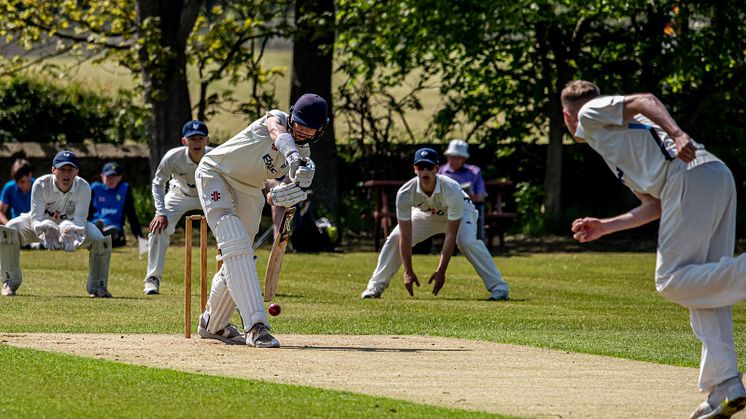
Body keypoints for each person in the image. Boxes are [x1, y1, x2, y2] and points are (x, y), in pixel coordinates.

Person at [561, 80, 746, 419]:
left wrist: (677, 134)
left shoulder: (588, 113)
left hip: (687, 175)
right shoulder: (613, 139)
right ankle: (727, 385)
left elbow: (644, 99)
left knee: (672, 280)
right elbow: (654, 205)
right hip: (712, 175)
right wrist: (606, 226)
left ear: (565, 116)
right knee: (704, 290)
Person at [195, 93, 327, 348]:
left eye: (310, 129)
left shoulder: (304, 152)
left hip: (250, 189)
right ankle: (256, 326)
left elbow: (282, 188)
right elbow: (278, 133)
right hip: (215, 173)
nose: (303, 131)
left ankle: (213, 324)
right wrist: (292, 157)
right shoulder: (276, 119)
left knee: (239, 254)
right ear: (291, 116)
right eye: (299, 124)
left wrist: (287, 192)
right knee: (235, 243)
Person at [361, 147, 509, 301]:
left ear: (437, 169)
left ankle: (499, 288)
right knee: (395, 238)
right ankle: (375, 287)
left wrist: (441, 271)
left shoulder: (452, 189)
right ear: (414, 169)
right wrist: (408, 271)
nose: (425, 171)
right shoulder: (405, 193)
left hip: (462, 211)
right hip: (427, 214)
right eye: (420, 167)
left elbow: (450, 235)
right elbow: (406, 236)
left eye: (429, 167)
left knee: (466, 242)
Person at [0, 150, 112, 297]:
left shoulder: (84, 187)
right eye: (62, 169)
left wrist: (69, 228)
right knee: (9, 229)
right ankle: (9, 281)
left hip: (71, 227)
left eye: (70, 170)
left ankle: (98, 286)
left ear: (76, 171)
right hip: (42, 226)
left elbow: (80, 220)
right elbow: (36, 218)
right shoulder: (40, 184)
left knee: (100, 239)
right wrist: (44, 226)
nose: (66, 174)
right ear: (53, 170)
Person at [143, 120, 212, 295]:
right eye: (192, 139)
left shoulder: (215, 156)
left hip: (208, 195)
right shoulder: (172, 158)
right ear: (184, 141)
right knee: (158, 228)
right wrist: (160, 212)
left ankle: (233, 276)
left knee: (230, 224)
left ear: (207, 140)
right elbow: (158, 184)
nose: (196, 143)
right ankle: (153, 278)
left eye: (200, 138)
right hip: (179, 194)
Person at [439, 139, 488, 241]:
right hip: (445, 208)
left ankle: (477, 241)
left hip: (468, 207)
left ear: (464, 158)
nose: (453, 160)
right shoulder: (440, 171)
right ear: (447, 156)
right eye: (451, 157)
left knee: (477, 209)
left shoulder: (474, 172)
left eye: (457, 158)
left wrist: (473, 196)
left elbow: (481, 196)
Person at [89, 161, 144, 247]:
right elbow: (87, 211)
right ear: (102, 176)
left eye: (114, 176)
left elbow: (131, 215)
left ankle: (103, 235)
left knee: (112, 231)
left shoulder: (124, 190)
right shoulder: (95, 188)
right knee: (95, 225)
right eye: (108, 176)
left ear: (120, 177)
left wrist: (140, 238)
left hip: (115, 227)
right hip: (95, 222)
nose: (111, 180)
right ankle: (98, 232)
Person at [0, 159, 34, 225]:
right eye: (16, 182)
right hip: (16, 226)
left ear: (30, 175)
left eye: (22, 181)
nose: (19, 185)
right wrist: (9, 226)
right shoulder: (9, 187)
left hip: (34, 226)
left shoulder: (38, 186)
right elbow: (1, 212)